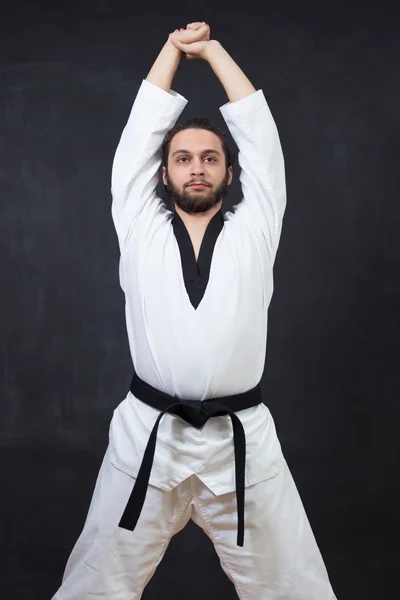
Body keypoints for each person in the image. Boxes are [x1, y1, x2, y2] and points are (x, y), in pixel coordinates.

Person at [52, 22, 337, 600]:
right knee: (95, 587)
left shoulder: (257, 227)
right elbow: (136, 140)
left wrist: (212, 52)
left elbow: (262, 141)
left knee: (296, 589)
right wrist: (172, 51)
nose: (198, 167)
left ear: (230, 173)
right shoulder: (138, 226)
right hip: (147, 435)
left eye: (210, 158)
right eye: (183, 159)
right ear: (164, 174)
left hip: (242, 440)